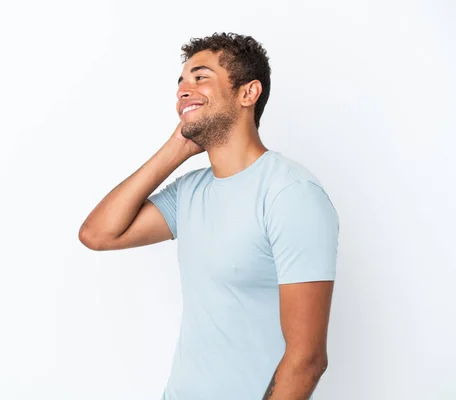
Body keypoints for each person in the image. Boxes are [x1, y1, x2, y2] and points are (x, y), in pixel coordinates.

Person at [78, 32, 339, 400]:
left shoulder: (290, 194)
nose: (184, 89)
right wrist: (176, 148)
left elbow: (308, 358)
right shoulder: (190, 191)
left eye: (200, 77)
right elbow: (98, 234)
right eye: (181, 82)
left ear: (248, 93)